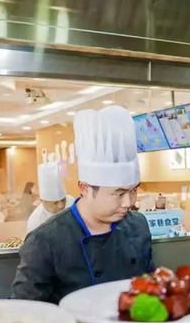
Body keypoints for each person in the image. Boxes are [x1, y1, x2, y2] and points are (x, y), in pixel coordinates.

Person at [11, 105, 154, 303]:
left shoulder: (138, 225)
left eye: (134, 191)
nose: (128, 203)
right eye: (118, 193)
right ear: (85, 188)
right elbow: (24, 308)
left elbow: (150, 284)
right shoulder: (45, 240)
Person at [26, 162, 75, 234]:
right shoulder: (35, 222)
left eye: (63, 200)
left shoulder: (73, 203)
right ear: (42, 200)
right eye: (55, 203)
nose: (61, 205)